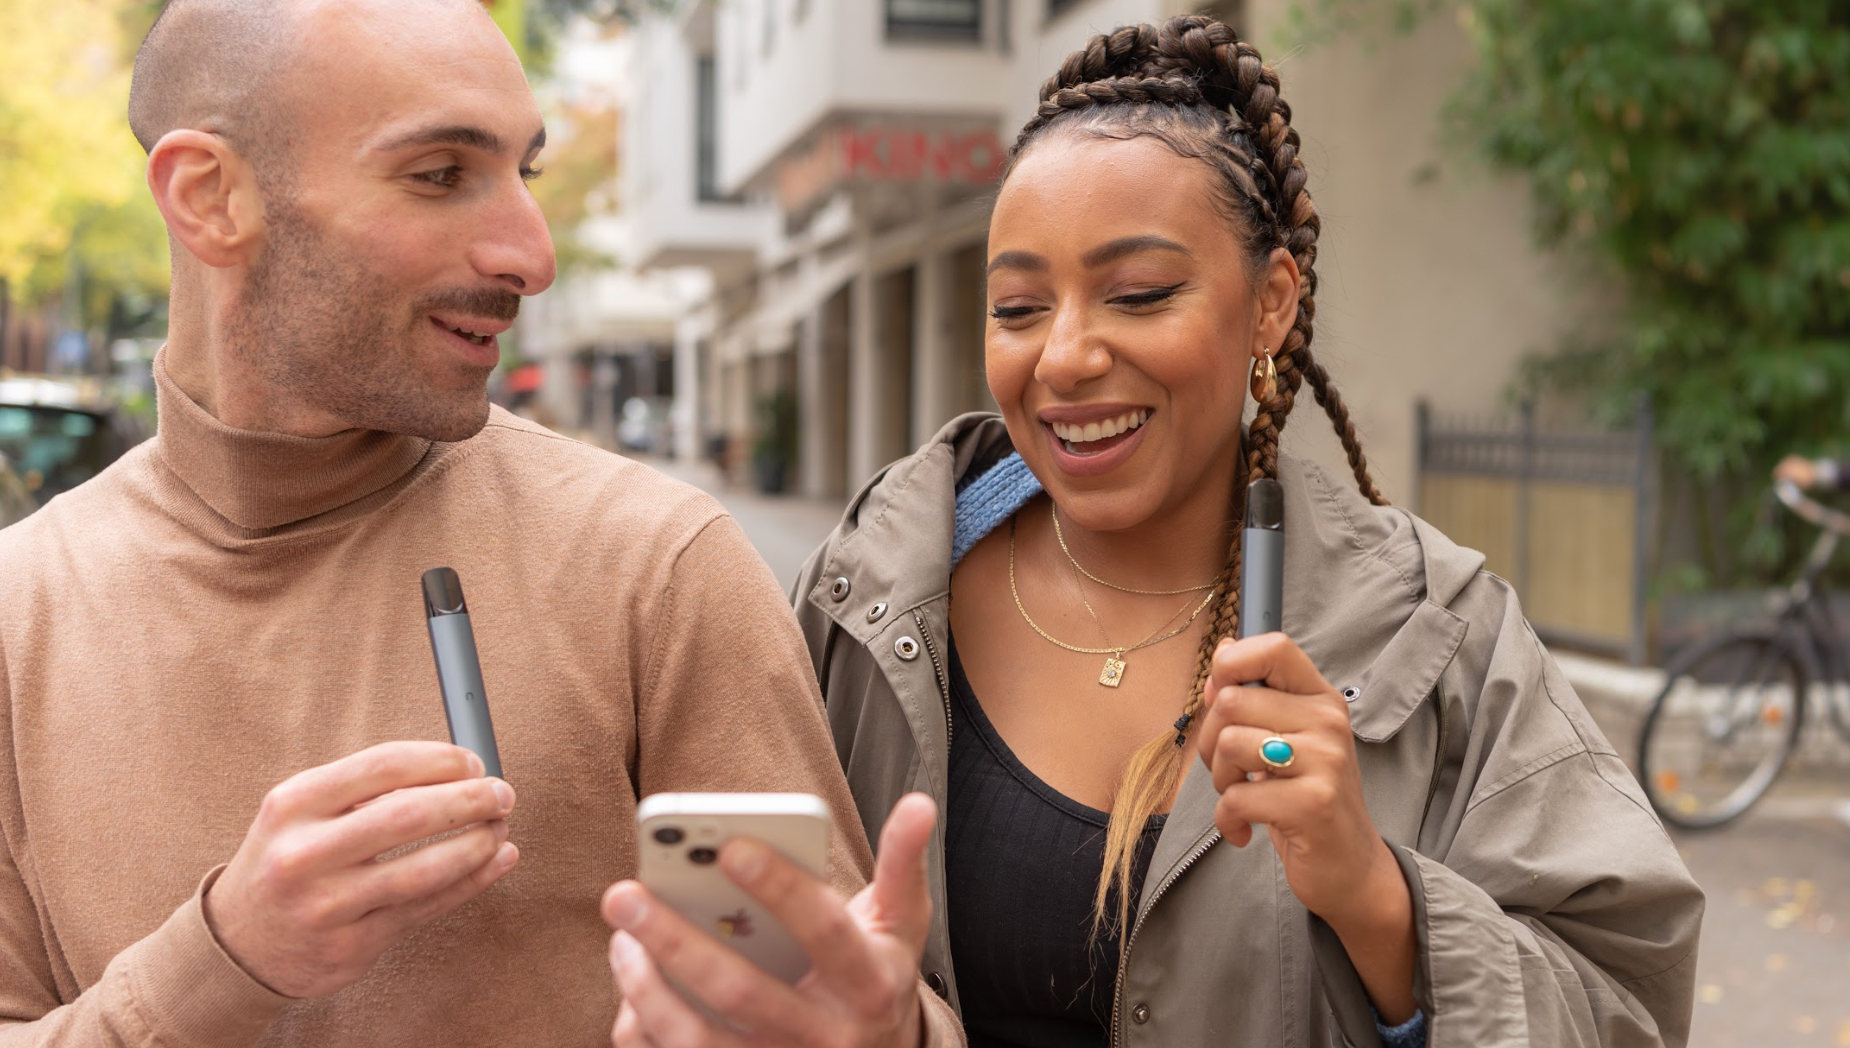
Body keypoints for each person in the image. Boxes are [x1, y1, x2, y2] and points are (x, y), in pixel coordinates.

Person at [0, 0, 953, 1044]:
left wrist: (871, 1028)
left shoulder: (649, 566)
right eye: (440, 174)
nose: (529, 256)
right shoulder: (21, 613)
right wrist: (220, 959)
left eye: (524, 173)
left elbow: (804, 996)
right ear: (210, 196)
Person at [761, 16, 1696, 1048]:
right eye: (1018, 307)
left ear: (1269, 306)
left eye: (1139, 293)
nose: (1063, 356)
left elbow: (1622, 1001)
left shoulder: (1433, 633)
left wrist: (1378, 898)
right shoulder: (863, 596)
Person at [1775, 454, 1850, 491]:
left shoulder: (1797, 473)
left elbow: (1808, 482)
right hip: (1828, 469)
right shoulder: (1795, 463)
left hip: (1829, 476)